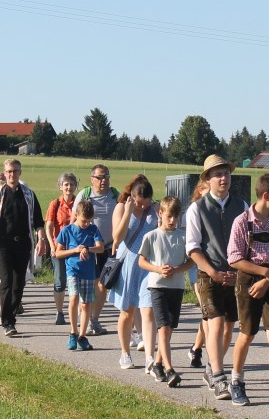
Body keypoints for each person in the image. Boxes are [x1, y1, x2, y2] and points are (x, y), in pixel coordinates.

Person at [227, 173, 269, 412]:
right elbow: (234, 259)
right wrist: (264, 274)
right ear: (266, 196)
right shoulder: (241, 222)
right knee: (247, 333)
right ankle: (236, 381)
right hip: (248, 280)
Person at [187, 154, 247, 400]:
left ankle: (212, 367)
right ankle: (220, 377)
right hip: (208, 274)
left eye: (227, 174)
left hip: (235, 275)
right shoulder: (196, 209)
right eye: (218, 174)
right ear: (208, 180)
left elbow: (248, 243)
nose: (224, 178)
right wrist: (213, 272)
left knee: (229, 326)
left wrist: (238, 272)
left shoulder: (242, 206)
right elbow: (192, 247)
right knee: (215, 323)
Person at [0, 159, 46, 337]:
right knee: (6, 282)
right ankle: (7, 321)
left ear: (20, 173)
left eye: (15, 171)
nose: (12, 174)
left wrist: (41, 239)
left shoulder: (28, 195)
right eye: (9, 171)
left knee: (19, 285)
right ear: (4, 173)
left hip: (23, 244)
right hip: (2, 244)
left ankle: (11, 316)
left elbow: (38, 222)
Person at [138, 196, 194, 387]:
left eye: (176, 217)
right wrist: (158, 269)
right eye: (169, 216)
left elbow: (191, 260)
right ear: (160, 214)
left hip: (176, 286)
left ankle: (158, 363)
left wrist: (178, 270)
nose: (172, 220)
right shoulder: (151, 236)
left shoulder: (183, 237)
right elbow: (141, 260)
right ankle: (170, 369)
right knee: (162, 328)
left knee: (169, 329)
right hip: (158, 286)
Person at [109, 175, 159, 369]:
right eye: (139, 203)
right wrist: (129, 211)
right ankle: (125, 353)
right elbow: (117, 237)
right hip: (128, 265)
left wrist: (160, 217)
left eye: (146, 203)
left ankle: (149, 357)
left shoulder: (154, 210)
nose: (142, 207)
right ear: (132, 196)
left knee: (148, 311)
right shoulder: (122, 207)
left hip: (147, 266)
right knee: (127, 312)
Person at [73, 164, 119, 336]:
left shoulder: (115, 195)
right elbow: (74, 221)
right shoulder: (84, 195)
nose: (103, 180)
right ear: (92, 178)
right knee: (89, 283)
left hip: (108, 247)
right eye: (99, 177)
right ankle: (85, 316)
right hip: (88, 249)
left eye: (106, 176)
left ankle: (94, 320)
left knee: (102, 284)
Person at [54, 199, 103, 351]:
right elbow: (58, 253)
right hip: (73, 270)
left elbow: (100, 248)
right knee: (74, 297)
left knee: (86, 303)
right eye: (83, 221)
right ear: (76, 215)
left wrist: (88, 249)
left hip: (88, 272)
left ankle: (82, 335)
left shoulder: (93, 229)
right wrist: (75, 250)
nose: (86, 224)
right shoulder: (67, 231)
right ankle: (73, 332)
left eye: (88, 221)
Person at [186, 180, 213, 369]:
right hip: (198, 266)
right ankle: (208, 355)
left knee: (208, 312)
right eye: (206, 192)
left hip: (219, 267)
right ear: (199, 192)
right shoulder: (195, 211)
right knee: (208, 310)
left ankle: (196, 348)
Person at [45, 172, 78, 326]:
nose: (69, 187)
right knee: (60, 281)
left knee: (76, 280)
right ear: (60, 187)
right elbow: (49, 226)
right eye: (66, 184)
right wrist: (52, 246)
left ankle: (77, 312)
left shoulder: (80, 203)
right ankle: (59, 312)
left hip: (76, 248)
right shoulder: (55, 204)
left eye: (71, 184)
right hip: (59, 247)